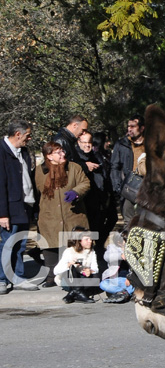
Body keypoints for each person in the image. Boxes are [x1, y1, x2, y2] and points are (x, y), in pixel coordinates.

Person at [35, 141, 91, 287]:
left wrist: (76, 192)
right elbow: (36, 191)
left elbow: (85, 183)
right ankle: (51, 276)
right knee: (50, 246)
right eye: (58, 152)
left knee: (74, 246)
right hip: (49, 215)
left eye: (63, 151)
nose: (63, 154)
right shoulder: (39, 171)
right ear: (49, 156)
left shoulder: (74, 168)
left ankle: (76, 276)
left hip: (72, 214)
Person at [0, 119, 37, 293]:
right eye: (27, 135)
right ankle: (2, 278)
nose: (29, 139)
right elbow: (1, 185)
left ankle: (18, 276)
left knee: (21, 244)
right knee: (7, 243)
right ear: (18, 134)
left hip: (24, 205)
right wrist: (2, 214)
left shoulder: (23, 151)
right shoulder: (2, 151)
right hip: (10, 207)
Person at [77, 130, 116, 258]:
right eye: (84, 142)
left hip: (99, 201)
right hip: (85, 203)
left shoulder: (97, 156)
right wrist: (84, 166)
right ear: (78, 142)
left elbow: (103, 178)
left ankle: (97, 253)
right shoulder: (76, 159)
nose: (88, 145)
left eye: (90, 142)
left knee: (97, 229)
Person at [109, 114, 146, 224]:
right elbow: (114, 166)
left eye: (133, 126)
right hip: (128, 187)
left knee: (146, 221)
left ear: (142, 128)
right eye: (128, 126)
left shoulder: (150, 144)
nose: (129, 129)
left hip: (147, 188)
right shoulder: (121, 144)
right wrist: (117, 187)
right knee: (128, 222)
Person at [53, 227, 99, 303]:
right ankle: (80, 293)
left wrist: (90, 271)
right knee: (72, 268)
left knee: (96, 276)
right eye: (87, 239)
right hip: (69, 280)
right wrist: (69, 264)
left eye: (91, 239)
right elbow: (55, 271)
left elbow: (95, 268)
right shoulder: (69, 251)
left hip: (83, 279)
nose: (90, 241)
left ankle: (74, 293)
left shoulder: (91, 252)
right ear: (80, 241)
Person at [99, 230, 133, 303]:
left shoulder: (133, 249)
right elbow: (107, 257)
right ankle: (124, 293)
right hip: (115, 279)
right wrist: (120, 255)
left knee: (140, 284)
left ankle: (123, 294)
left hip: (129, 280)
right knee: (103, 284)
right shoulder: (112, 247)